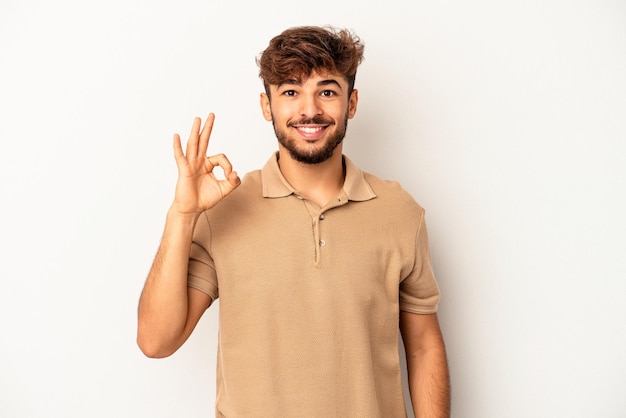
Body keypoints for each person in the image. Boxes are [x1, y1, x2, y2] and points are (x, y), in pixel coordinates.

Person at [137, 25, 451, 417]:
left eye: (327, 91)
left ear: (351, 103)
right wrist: (182, 215)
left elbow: (423, 346)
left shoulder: (399, 212)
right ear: (267, 106)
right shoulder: (226, 209)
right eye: (290, 91)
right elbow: (156, 341)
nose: (310, 109)